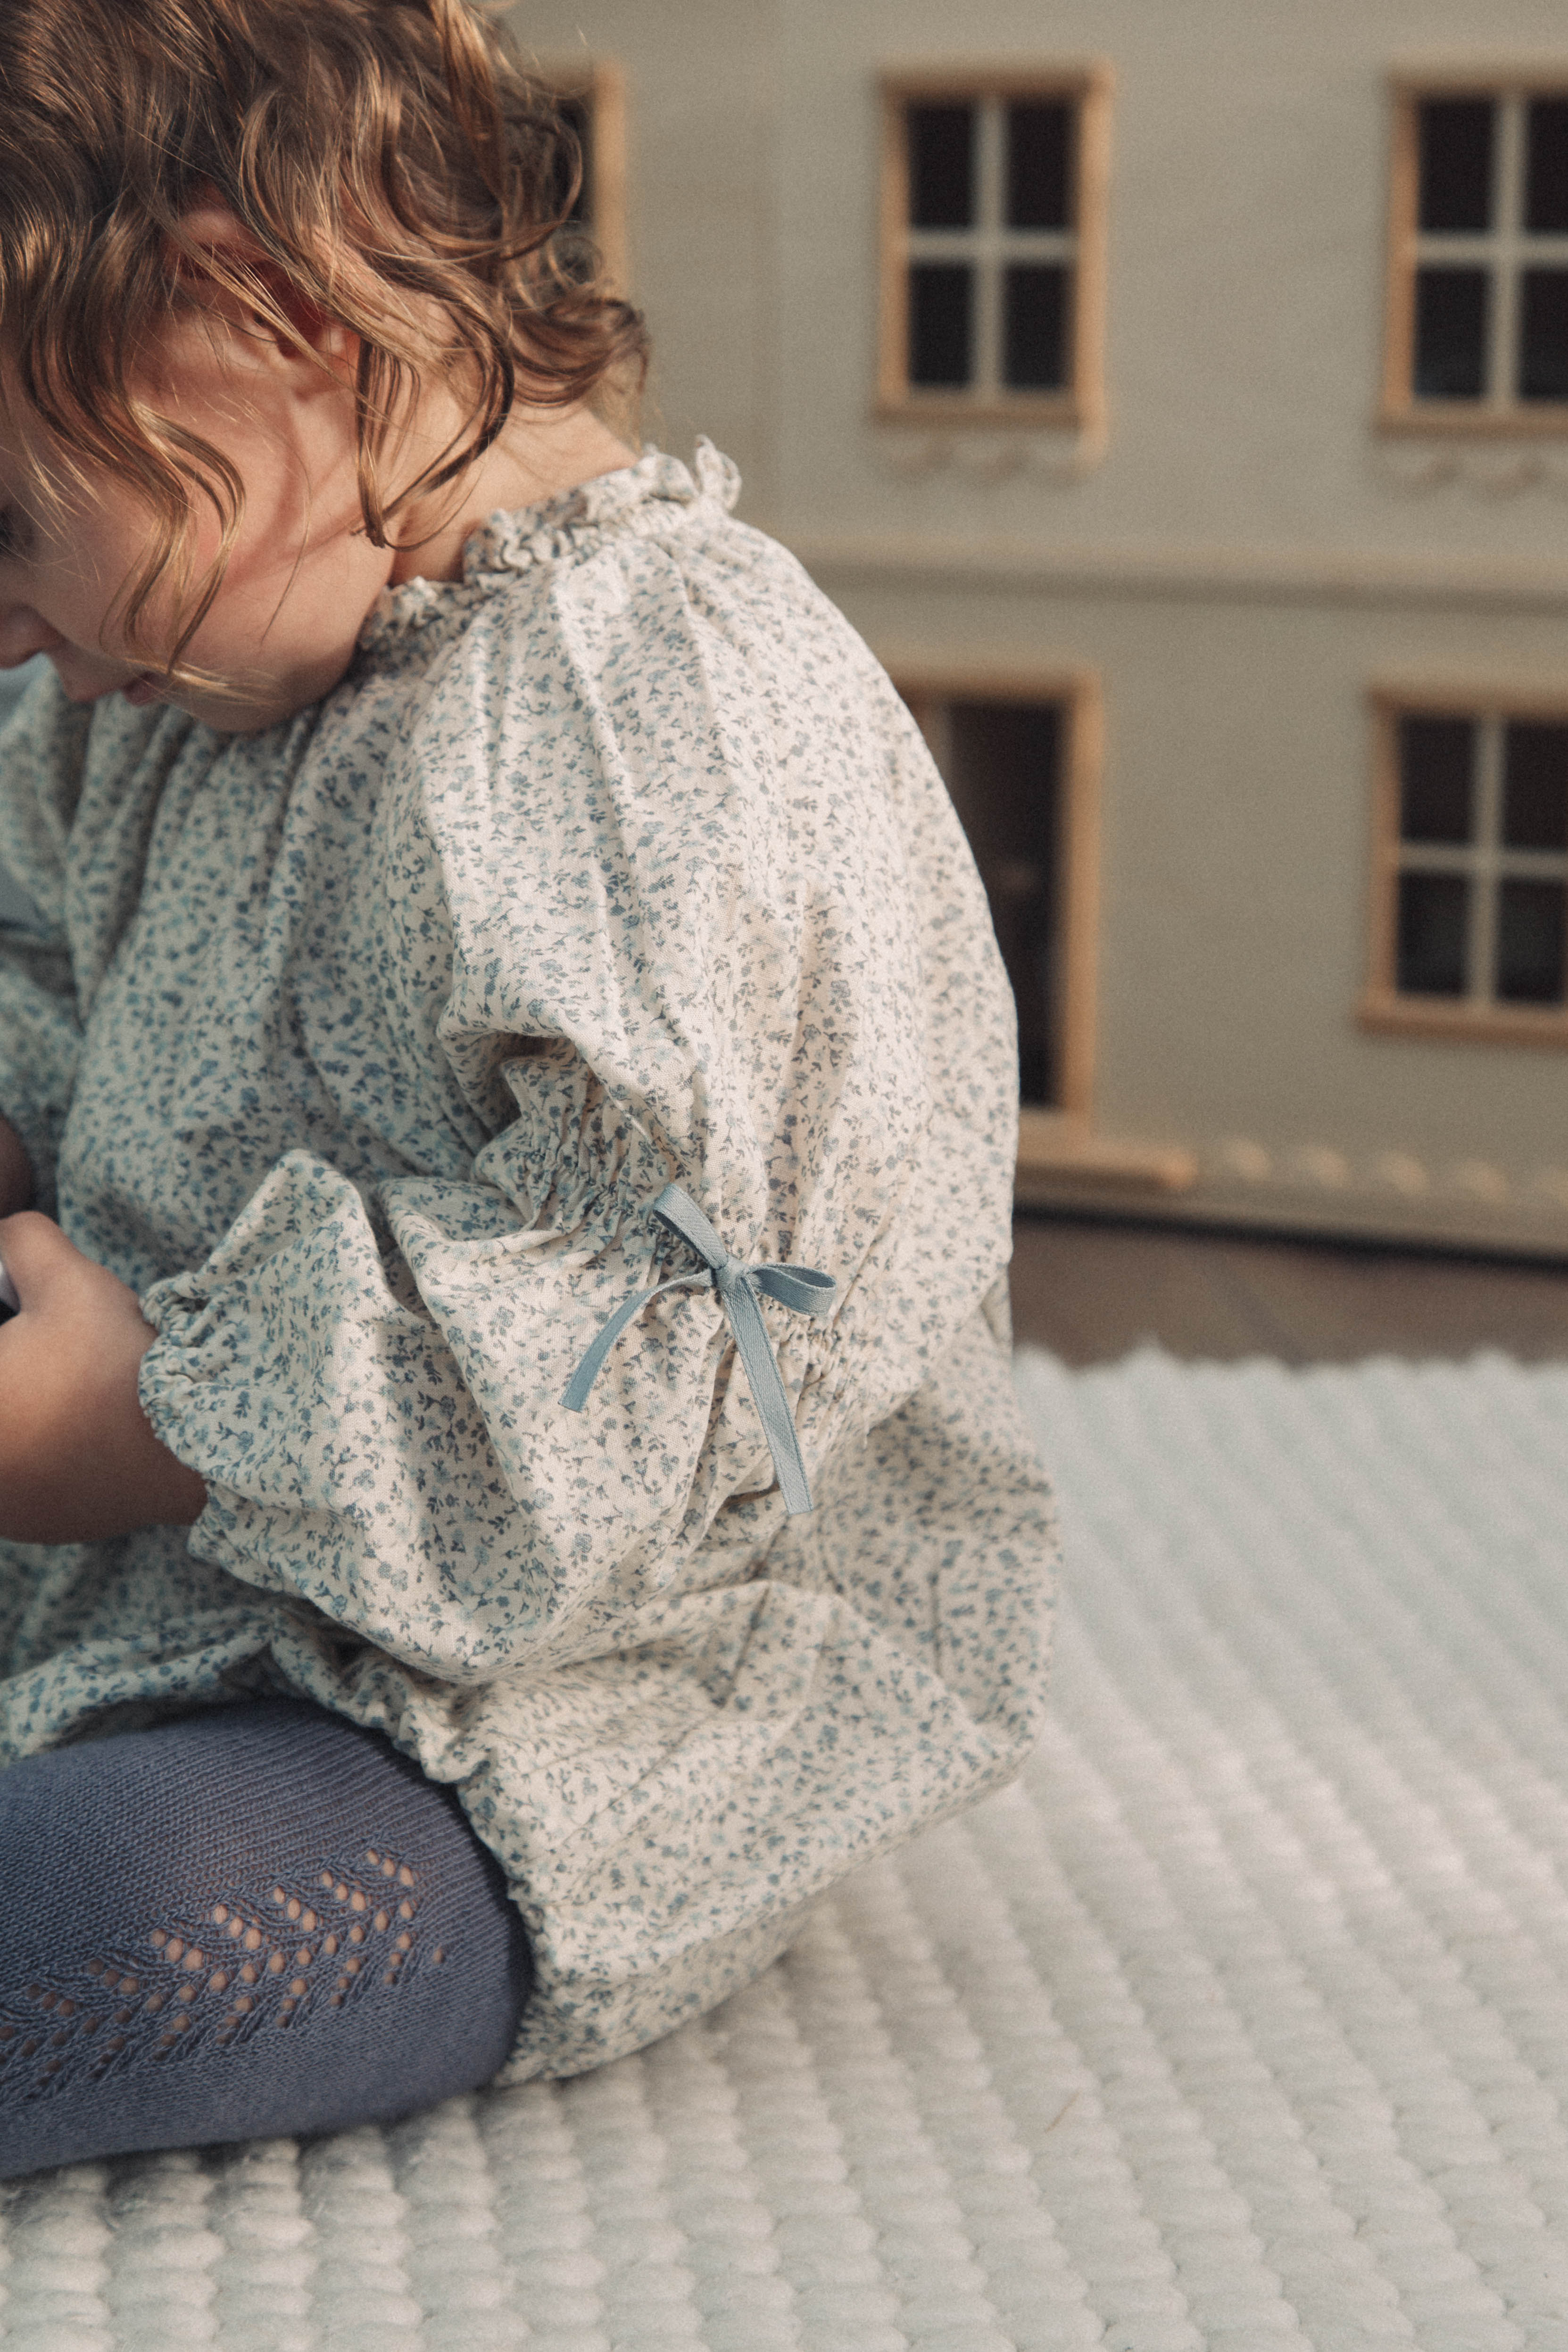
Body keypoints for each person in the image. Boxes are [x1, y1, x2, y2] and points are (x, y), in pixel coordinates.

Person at [0, 0, 1057, 2179]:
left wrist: (153, 1418)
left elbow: (650, 1352)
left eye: (5, 519)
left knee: (92, 1918)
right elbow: (39, 980)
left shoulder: (656, 706)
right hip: (150, 1546)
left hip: (564, 1688)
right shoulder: (149, 670)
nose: (2, 623)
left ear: (267, 324)